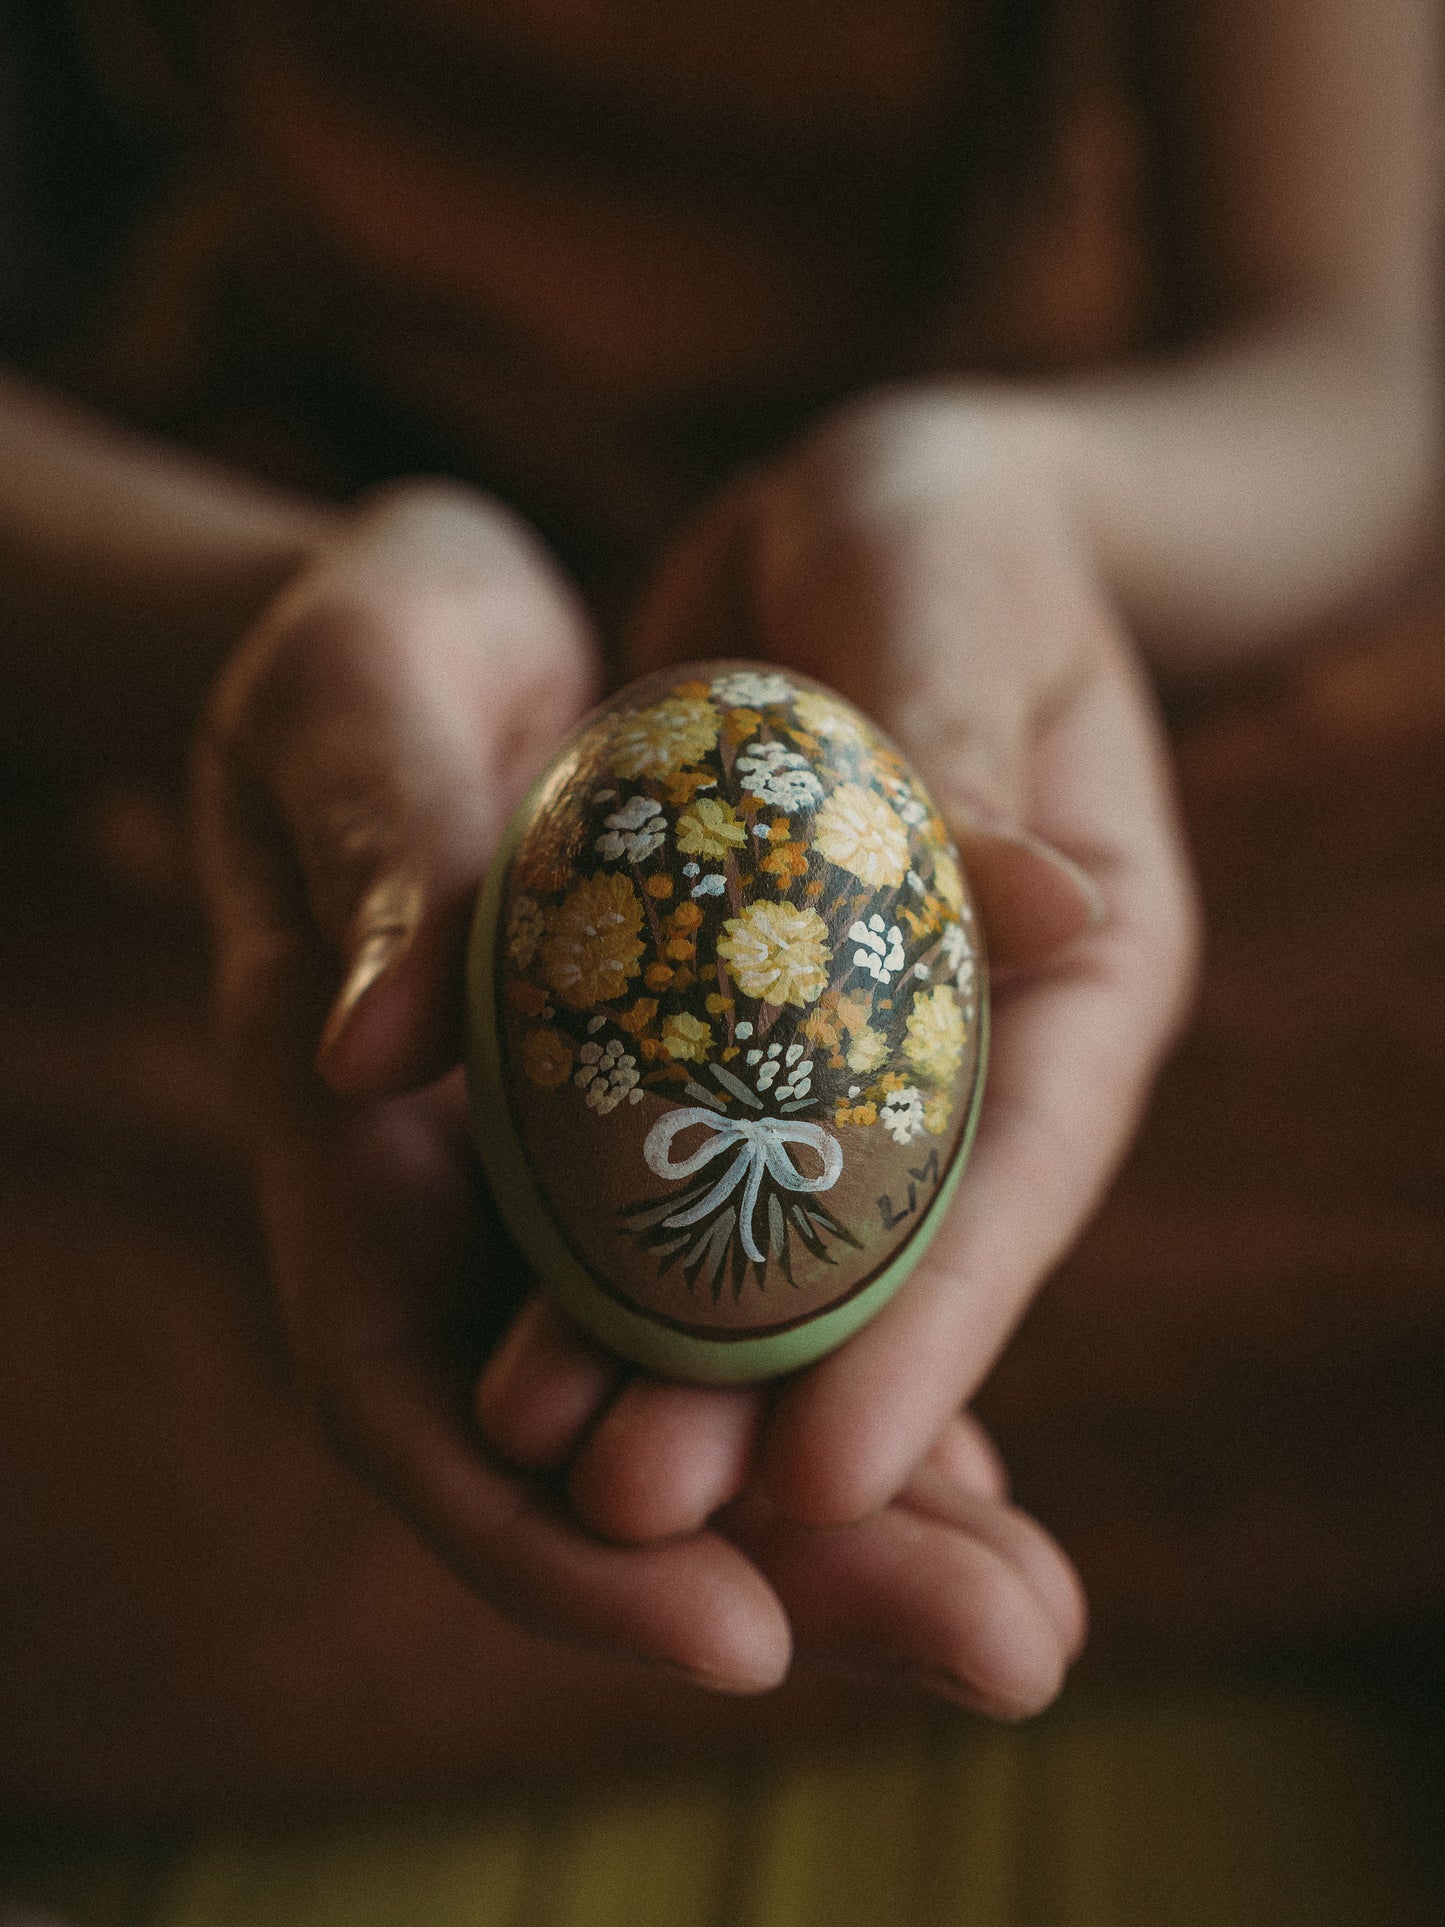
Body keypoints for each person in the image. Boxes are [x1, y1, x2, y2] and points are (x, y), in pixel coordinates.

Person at [0, 0, 1436, 1806]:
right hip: (318, 648)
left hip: (1067, 643)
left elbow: (1358, 360)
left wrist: (1032, 502)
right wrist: (247, 641)